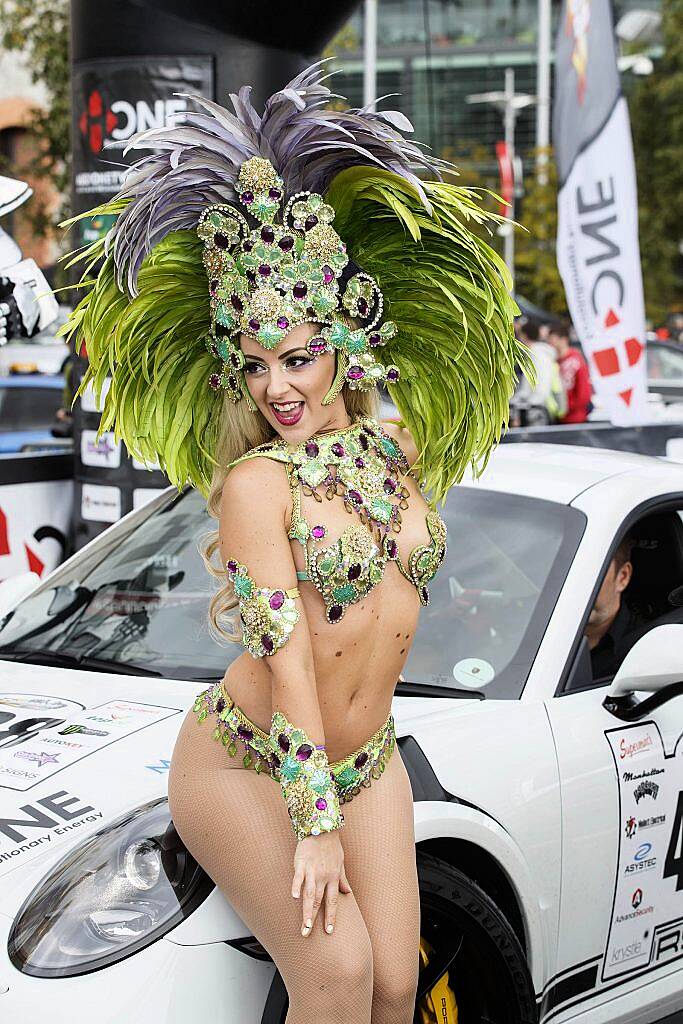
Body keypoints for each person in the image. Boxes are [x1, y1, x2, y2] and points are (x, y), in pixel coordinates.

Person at [64, 64, 527, 1024]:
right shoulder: (255, 483)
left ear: (348, 342)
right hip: (247, 759)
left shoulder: (397, 449)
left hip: (368, 758)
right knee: (337, 973)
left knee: (399, 981)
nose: (277, 385)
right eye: (257, 363)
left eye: (299, 356)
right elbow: (286, 660)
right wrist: (314, 833)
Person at [585, 534, 644, 680]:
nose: (579, 583)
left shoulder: (643, 650)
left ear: (622, 577)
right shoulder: (528, 627)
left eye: (593, 571)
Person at [514, 317, 567, 423]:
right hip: (538, 408)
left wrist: (528, 403)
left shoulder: (538, 355)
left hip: (538, 410)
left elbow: (541, 386)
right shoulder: (537, 354)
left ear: (524, 335)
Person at [547, 320, 592, 423]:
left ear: (563, 340)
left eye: (552, 339)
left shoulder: (575, 359)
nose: (550, 343)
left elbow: (584, 393)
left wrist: (567, 406)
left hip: (575, 419)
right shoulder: (554, 361)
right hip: (559, 417)